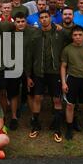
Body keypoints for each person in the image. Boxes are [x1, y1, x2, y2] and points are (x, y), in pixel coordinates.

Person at [26, 10, 65, 142]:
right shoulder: (35, 35)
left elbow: (75, 38)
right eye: (41, 18)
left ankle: (57, 128)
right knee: (37, 98)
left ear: (50, 18)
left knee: (57, 100)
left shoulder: (59, 32)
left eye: (46, 17)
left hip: (55, 72)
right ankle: (35, 126)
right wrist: (28, 75)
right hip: (39, 72)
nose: (44, 19)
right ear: (39, 20)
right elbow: (29, 56)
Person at [5, 12, 36, 130]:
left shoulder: (33, 32)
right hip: (13, 67)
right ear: (15, 22)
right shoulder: (10, 35)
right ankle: (13, 117)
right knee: (13, 93)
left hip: (29, 67)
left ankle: (34, 117)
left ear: (26, 22)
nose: (20, 24)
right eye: (18, 21)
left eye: (23, 21)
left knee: (30, 93)